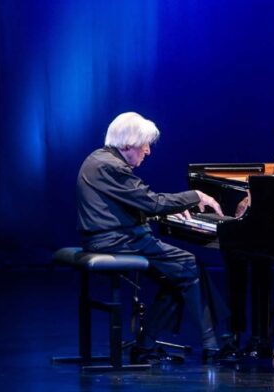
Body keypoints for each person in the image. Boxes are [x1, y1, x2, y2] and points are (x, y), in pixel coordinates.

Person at [76, 111, 225, 364]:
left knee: (180, 272)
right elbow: (151, 202)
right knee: (187, 265)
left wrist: (164, 214)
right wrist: (195, 196)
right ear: (127, 144)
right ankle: (212, 344)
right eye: (144, 145)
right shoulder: (112, 167)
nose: (148, 151)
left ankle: (150, 345)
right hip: (116, 241)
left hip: (111, 236)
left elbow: (124, 208)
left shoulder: (99, 160)